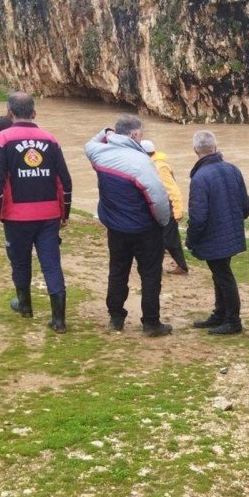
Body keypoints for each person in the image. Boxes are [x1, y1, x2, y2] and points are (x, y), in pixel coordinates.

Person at [0, 92, 72, 334]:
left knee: (20, 261)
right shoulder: (50, 139)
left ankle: (25, 306)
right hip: (49, 214)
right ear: (34, 113)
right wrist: (65, 212)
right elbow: (65, 181)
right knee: (52, 264)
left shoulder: (2, 139)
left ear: (9, 113)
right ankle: (59, 320)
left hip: (16, 216)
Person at [85, 114, 173, 336]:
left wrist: (106, 133)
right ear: (134, 135)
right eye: (140, 134)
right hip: (145, 230)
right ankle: (151, 323)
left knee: (117, 271)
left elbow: (89, 143)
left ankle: (116, 318)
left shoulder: (98, 153)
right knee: (150, 275)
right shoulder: (141, 162)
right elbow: (158, 199)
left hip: (116, 228)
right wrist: (163, 222)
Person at [186, 131, 249, 336]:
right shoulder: (233, 169)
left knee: (223, 276)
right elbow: (246, 207)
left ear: (195, 150)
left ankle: (233, 321)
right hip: (230, 232)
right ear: (215, 147)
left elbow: (198, 217)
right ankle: (220, 313)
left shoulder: (199, 178)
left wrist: (191, 239)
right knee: (220, 274)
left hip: (213, 235)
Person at [140, 139, 189, 275]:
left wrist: (178, 211)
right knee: (160, 239)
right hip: (159, 208)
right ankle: (160, 266)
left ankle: (182, 267)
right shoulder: (153, 164)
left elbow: (173, 189)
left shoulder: (160, 167)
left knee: (169, 240)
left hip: (168, 210)